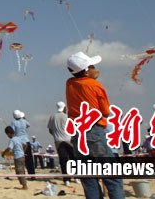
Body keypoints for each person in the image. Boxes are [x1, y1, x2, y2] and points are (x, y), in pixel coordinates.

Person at [64, 51, 124, 199]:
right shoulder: (95, 85)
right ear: (86, 71)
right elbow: (106, 112)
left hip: (78, 134)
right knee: (112, 176)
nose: (95, 69)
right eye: (92, 66)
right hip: (94, 132)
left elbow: (77, 76)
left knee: (88, 177)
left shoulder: (69, 83)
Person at [47, 101, 74, 185]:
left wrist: (56, 135)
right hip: (69, 140)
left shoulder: (52, 116)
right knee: (73, 159)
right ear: (64, 108)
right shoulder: (67, 116)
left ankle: (66, 179)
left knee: (63, 160)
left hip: (58, 141)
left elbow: (50, 130)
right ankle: (76, 177)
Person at [3, 126, 29, 190]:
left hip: (18, 157)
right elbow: (26, 145)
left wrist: (4, 153)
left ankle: (24, 186)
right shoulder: (18, 138)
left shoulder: (12, 140)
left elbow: (9, 148)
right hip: (22, 156)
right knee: (22, 171)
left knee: (19, 172)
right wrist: (23, 151)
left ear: (9, 133)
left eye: (7, 135)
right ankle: (24, 185)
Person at [11, 110, 35, 175]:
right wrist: (24, 118)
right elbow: (28, 125)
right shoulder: (24, 121)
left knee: (19, 158)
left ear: (14, 116)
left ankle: (22, 174)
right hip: (26, 142)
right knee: (29, 159)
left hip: (19, 143)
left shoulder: (13, 122)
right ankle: (32, 175)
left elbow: (12, 131)